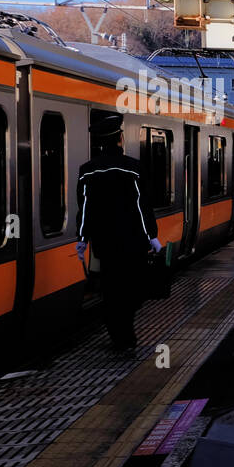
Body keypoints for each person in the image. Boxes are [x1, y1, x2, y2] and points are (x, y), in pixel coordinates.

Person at [75, 113, 162, 350]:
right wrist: (152, 237)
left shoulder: (87, 171)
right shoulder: (133, 169)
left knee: (111, 291)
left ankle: (119, 335)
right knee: (133, 290)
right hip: (134, 243)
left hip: (105, 245)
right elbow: (142, 207)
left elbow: (84, 209)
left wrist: (82, 239)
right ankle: (125, 335)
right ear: (120, 139)